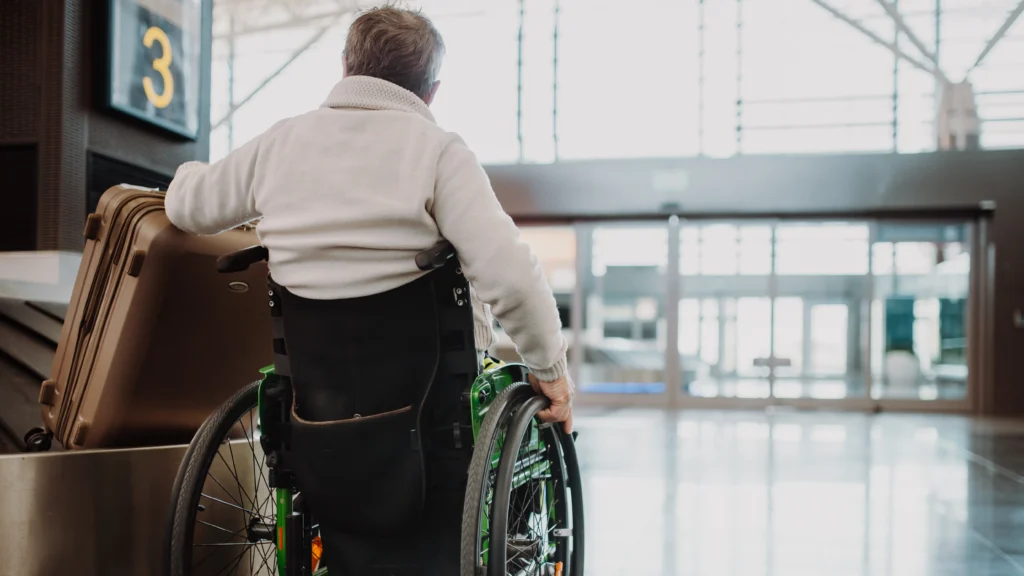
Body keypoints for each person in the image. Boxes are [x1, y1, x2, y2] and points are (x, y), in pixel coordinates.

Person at [164, 6, 574, 429]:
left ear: (345, 67)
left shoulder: (279, 143)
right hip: (429, 393)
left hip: (315, 384)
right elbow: (510, 274)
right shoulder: (438, 152)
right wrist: (551, 371)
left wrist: (189, 172)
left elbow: (187, 207)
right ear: (430, 92)